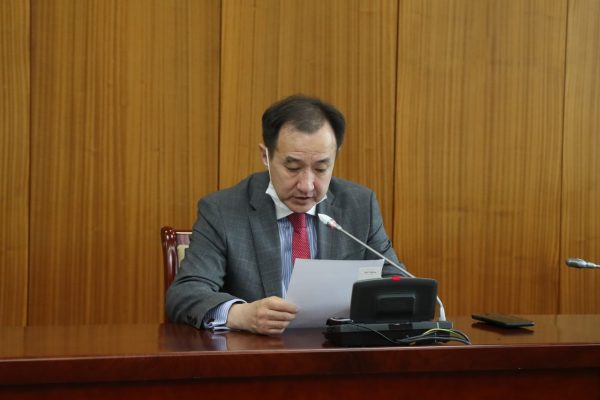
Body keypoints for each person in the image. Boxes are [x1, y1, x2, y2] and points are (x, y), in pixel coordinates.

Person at [166, 94, 402, 335]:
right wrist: (240, 314)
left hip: (337, 352)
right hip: (258, 352)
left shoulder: (359, 206)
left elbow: (397, 283)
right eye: (293, 167)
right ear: (265, 156)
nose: (306, 186)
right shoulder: (223, 211)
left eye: (321, 168)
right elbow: (185, 292)